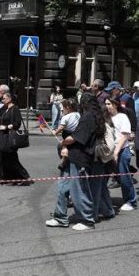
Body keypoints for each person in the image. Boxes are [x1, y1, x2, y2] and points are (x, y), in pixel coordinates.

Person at [46, 93, 100, 229]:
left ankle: (87, 220)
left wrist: (63, 143)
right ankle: (60, 217)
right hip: (72, 155)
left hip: (80, 157)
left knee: (79, 190)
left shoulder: (89, 117)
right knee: (63, 187)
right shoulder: (85, 116)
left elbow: (76, 137)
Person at [0, 91, 31, 185]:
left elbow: (17, 123)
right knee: (3, 158)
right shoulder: (6, 109)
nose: (2, 100)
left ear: (10, 99)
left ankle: (23, 177)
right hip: (3, 137)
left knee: (12, 158)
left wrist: (6, 127)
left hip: (10, 137)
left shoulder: (15, 109)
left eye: (4, 98)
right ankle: (5, 179)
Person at [106, 98, 136, 211]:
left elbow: (125, 136)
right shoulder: (106, 117)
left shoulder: (122, 117)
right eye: (106, 104)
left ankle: (131, 201)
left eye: (109, 104)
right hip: (108, 151)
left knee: (124, 177)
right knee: (106, 176)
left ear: (115, 105)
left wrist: (116, 152)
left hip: (122, 150)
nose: (107, 106)